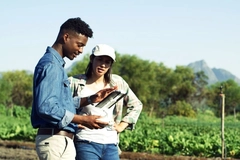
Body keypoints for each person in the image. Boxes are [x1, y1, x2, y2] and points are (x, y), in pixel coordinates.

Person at [31, 18, 115, 160]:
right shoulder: (52, 66)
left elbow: (60, 104)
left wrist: (90, 99)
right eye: (79, 45)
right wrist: (82, 119)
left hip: (59, 141)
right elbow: (46, 107)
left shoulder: (56, 65)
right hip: (55, 141)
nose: (81, 50)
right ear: (66, 37)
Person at [68, 44, 143, 160]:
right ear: (92, 59)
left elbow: (136, 105)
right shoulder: (75, 82)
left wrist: (122, 126)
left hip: (111, 144)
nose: (103, 65)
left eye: (107, 62)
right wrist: (76, 123)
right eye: (100, 60)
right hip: (85, 141)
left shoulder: (117, 82)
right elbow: (61, 108)